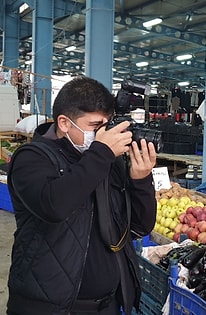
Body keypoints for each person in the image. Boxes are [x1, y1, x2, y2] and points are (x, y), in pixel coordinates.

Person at [6, 76, 157, 315]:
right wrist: (101, 153)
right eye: (95, 127)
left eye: (106, 126)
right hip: (51, 307)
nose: (103, 134)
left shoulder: (106, 159)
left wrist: (141, 180)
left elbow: (139, 226)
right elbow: (53, 205)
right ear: (64, 123)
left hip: (107, 304)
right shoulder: (32, 158)